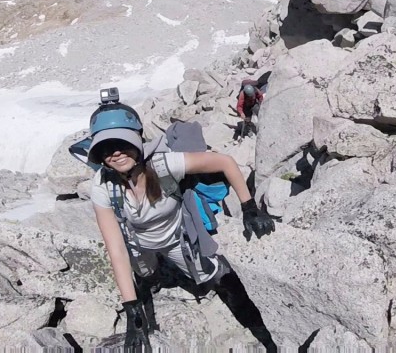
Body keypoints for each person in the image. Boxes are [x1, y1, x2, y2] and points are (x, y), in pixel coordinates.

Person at [88, 96, 276, 351]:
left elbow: (225, 162)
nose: (116, 153)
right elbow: (116, 249)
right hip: (138, 244)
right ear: (99, 155)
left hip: (176, 237)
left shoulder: (165, 165)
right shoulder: (102, 186)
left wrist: (249, 207)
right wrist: (132, 310)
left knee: (217, 277)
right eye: (106, 149)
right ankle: (147, 280)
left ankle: (263, 335)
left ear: (137, 139)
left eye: (122, 143)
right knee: (144, 274)